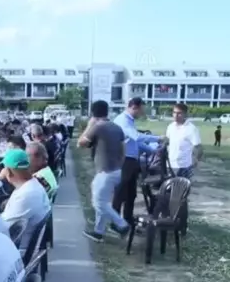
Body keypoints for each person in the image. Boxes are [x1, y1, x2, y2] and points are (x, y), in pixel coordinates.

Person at [77, 100, 129, 242]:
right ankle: (98, 232)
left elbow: (81, 143)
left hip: (104, 171)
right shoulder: (117, 128)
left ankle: (122, 224)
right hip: (116, 170)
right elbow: (123, 150)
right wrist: (119, 165)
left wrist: (89, 125)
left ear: (92, 113)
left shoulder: (98, 127)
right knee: (104, 201)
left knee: (99, 203)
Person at [112, 97, 164, 225]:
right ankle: (115, 222)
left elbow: (134, 143)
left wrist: (152, 151)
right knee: (120, 193)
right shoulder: (123, 120)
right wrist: (157, 139)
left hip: (131, 161)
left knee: (131, 193)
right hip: (124, 160)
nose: (142, 114)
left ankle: (128, 219)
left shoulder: (129, 121)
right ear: (134, 107)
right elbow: (137, 137)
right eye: (141, 110)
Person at [0, 149, 51, 247]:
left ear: (9, 173)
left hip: (19, 248)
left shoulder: (25, 195)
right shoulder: (32, 185)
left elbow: (3, 229)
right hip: (23, 242)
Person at [165, 103, 202, 180]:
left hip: (184, 166)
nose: (176, 115)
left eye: (179, 113)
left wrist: (196, 160)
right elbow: (168, 142)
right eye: (174, 112)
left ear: (185, 114)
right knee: (169, 190)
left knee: (181, 190)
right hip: (170, 165)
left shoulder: (191, 128)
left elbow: (198, 147)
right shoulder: (170, 126)